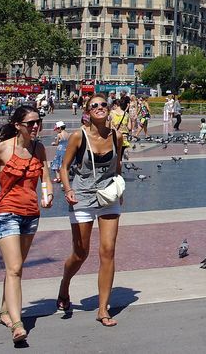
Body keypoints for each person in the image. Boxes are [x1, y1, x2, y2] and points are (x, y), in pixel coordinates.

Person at [0, 106, 52, 344]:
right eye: (30, 123)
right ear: (18, 126)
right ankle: (18, 325)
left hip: (31, 215)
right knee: (15, 268)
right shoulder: (2, 149)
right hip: (7, 212)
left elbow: (46, 180)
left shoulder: (39, 148)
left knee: (14, 268)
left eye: (38, 122)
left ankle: (4, 310)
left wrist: (47, 195)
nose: (35, 127)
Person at [57, 93, 124, 327]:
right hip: (82, 197)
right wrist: (67, 190)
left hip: (108, 197)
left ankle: (103, 309)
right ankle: (65, 284)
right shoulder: (78, 136)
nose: (100, 108)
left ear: (109, 108)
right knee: (81, 253)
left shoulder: (117, 135)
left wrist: (120, 189)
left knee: (108, 251)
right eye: (94, 105)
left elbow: (118, 165)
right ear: (87, 111)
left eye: (103, 104)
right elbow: (63, 167)